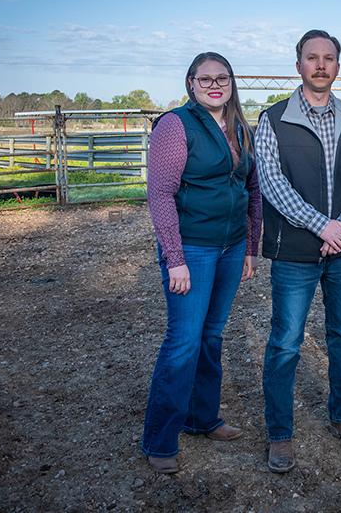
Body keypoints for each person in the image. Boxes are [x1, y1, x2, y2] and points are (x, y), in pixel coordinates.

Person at [255, 29, 341, 473]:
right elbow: (272, 183)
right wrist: (321, 225)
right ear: (299, 65)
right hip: (295, 251)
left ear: (338, 67)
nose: (320, 65)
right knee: (286, 342)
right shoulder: (273, 120)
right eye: (312, 58)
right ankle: (280, 433)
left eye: (328, 58)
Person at [142, 52, 261, 474]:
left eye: (222, 78)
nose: (214, 85)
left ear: (231, 82)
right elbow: (159, 194)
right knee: (184, 340)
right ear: (191, 83)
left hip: (230, 247)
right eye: (205, 78)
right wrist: (175, 258)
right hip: (191, 247)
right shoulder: (176, 125)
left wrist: (251, 247)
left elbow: (253, 190)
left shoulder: (241, 127)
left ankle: (202, 417)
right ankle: (160, 438)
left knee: (212, 335)